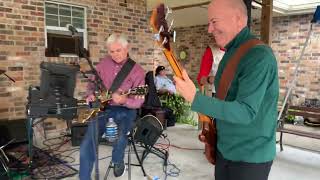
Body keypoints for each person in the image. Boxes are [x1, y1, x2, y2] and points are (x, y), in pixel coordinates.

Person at [173, 0, 279, 180]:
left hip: (250, 156)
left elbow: (245, 112)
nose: (209, 29)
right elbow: (226, 100)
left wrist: (195, 98)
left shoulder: (259, 56)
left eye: (214, 22)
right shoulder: (230, 52)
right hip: (225, 149)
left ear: (238, 19)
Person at [79, 33, 145, 179]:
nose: (115, 54)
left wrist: (124, 101)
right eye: (111, 51)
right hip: (104, 108)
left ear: (127, 48)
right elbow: (91, 84)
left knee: (121, 135)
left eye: (118, 50)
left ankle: (117, 160)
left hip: (126, 110)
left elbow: (139, 101)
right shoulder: (103, 64)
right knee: (87, 143)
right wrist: (90, 94)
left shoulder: (137, 71)